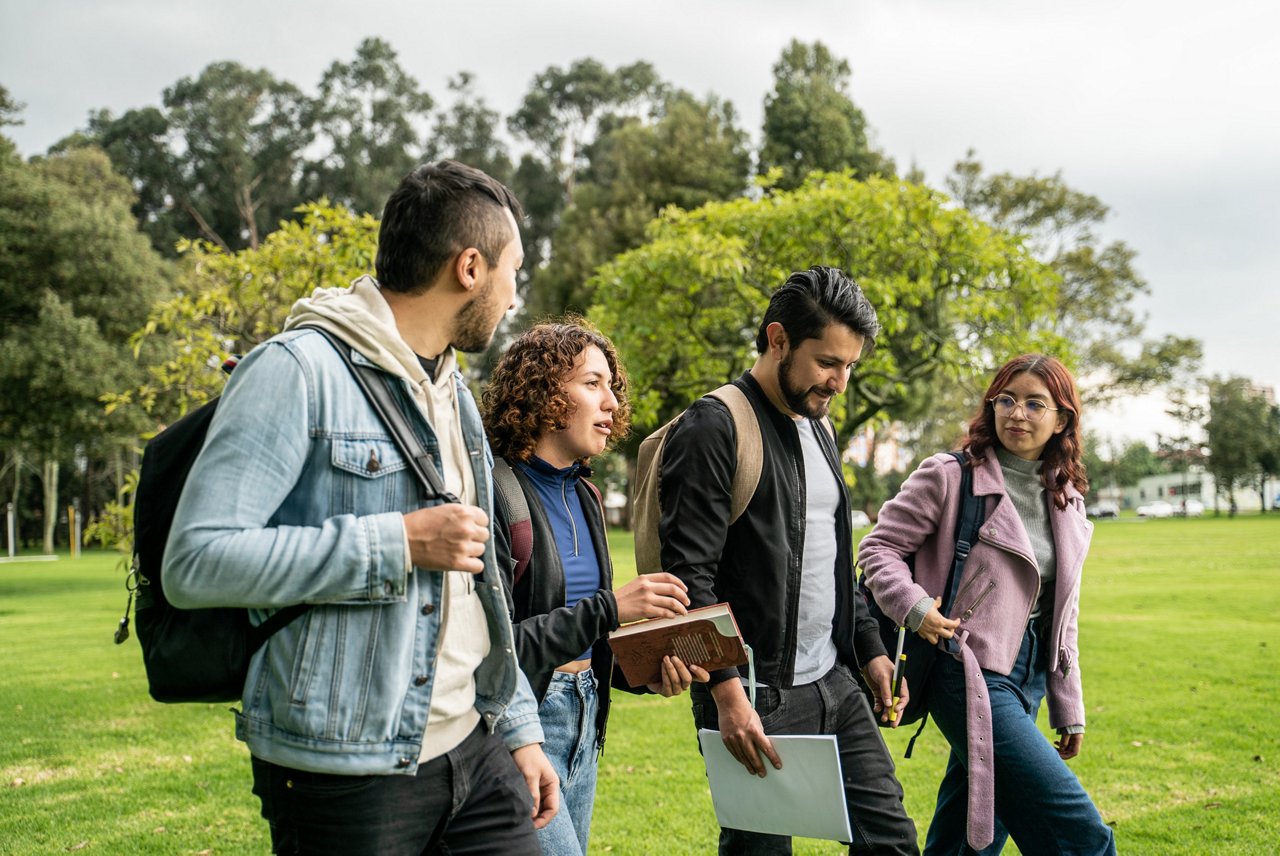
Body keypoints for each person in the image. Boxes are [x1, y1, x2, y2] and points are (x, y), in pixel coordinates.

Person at [164, 160, 557, 855]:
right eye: (512, 271)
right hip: (345, 773)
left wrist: (519, 727)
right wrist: (396, 543)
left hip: (473, 748)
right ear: (470, 267)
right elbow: (196, 561)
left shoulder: (455, 394)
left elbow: (477, 584)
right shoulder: (296, 370)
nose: (514, 293)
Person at [658, 266, 919, 855]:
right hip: (755, 692)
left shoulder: (819, 425)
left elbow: (829, 559)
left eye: (850, 365)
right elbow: (689, 577)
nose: (840, 382)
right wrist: (728, 697)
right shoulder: (715, 426)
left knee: (892, 842)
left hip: (835, 681)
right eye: (828, 362)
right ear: (778, 340)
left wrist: (872, 650)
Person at [859, 354, 1116, 855]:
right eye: (1007, 400)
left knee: (968, 839)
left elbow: (1065, 612)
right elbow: (877, 548)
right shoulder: (949, 476)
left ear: (1062, 419)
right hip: (965, 668)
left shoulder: (1068, 499)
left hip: (1030, 677)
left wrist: (1069, 704)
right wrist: (914, 607)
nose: (1017, 413)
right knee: (1080, 834)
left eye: (1035, 403)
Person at [481, 319, 708, 856]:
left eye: (612, 387)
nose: (611, 403)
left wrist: (644, 673)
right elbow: (491, 646)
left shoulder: (584, 495)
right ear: (540, 391)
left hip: (585, 721)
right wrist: (612, 607)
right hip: (520, 727)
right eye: (592, 383)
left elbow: (586, 644)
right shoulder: (496, 493)